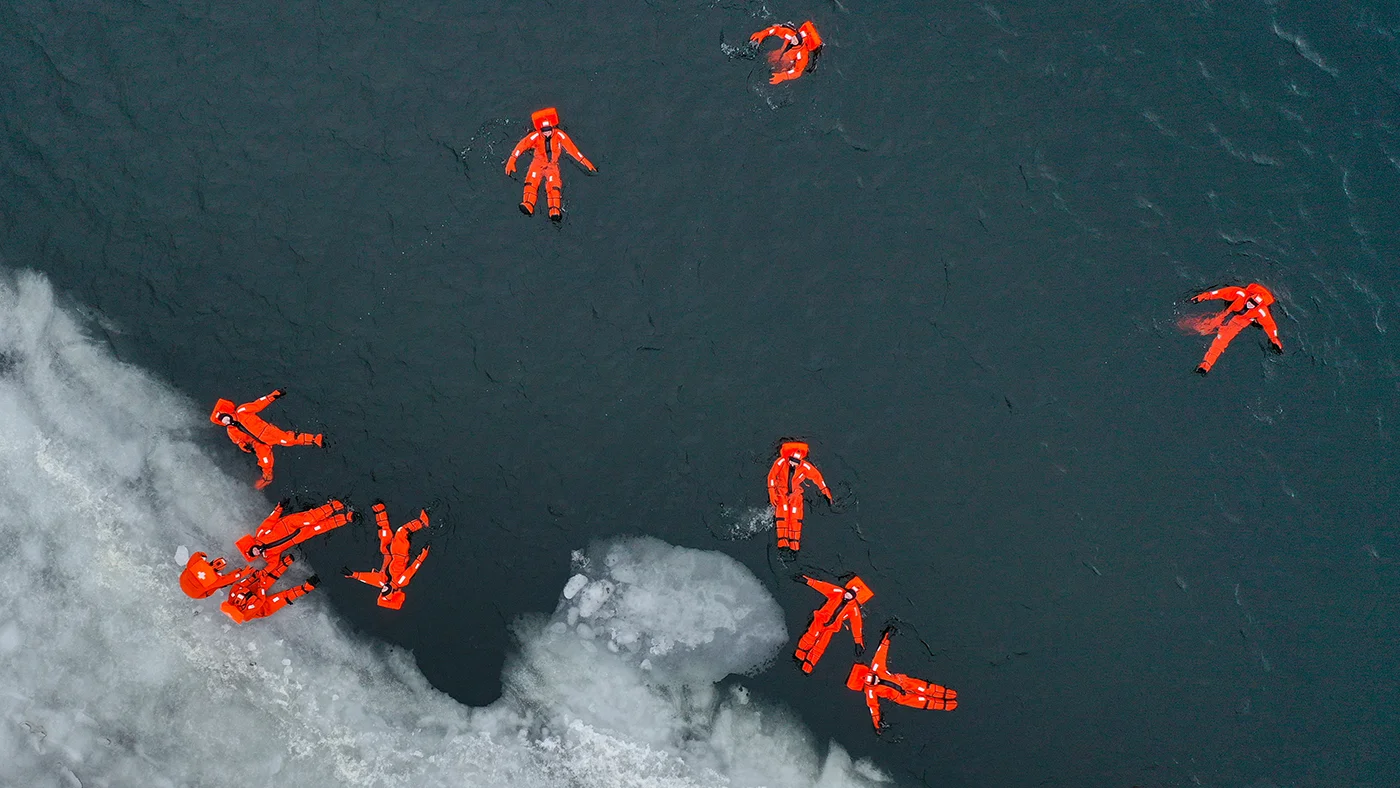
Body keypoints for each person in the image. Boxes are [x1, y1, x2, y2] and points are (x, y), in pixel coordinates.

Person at [845, 629, 957, 732]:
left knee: (925, 688)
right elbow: (873, 708)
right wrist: (877, 723)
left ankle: (947, 693)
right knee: (923, 701)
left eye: (874, 677)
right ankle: (946, 705)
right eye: (872, 682)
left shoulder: (876, 667)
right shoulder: (870, 692)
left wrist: (887, 638)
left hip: (905, 682)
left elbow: (881, 653)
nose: (876, 680)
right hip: (901, 697)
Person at [210, 390, 323, 489]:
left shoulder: (242, 410)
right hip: (258, 443)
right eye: (222, 421)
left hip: (267, 432)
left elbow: (259, 404)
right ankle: (267, 478)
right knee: (265, 462)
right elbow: (239, 442)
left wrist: (274, 395)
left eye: (223, 417)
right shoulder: (231, 431)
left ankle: (314, 439)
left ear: (227, 412)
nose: (225, 421)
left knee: (287, 439)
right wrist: (246, 448)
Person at [504, 108, 597, 222]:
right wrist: (512, 160)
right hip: (537, 163)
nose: (546, 132)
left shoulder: (560, 135)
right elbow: (521, 145)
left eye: (548, 129)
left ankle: (554, 209)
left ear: (552, 127)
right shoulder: (535, 136)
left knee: (554, 187)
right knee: (531, 183)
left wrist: (584, 161)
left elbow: (572, 149)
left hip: (552, 166)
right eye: (544, 130)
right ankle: (528, 203)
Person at [342, 501, 430, 610]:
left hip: (388, 554)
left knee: (384, 538)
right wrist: (423, 555)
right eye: (386, 590)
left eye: (382, 590)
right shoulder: (400, 581)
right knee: (401, 532)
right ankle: (422, 522)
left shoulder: (382, 582)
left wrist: (353, 574)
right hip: (399, 554)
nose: (384, 588)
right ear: (392, 592)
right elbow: (413, 568)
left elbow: (368, 578)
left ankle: (380, 511)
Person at [1190, 283, 1283, 374]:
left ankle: (1206, 365)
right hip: (1225, 315)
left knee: (1220, 343)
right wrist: (1204, 296)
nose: (1250, 305)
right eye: (1250, 302)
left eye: (1253, 304)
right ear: (1249, 297)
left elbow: (1270, 326)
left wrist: (1274, 339)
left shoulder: (1262, 312)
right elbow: (1220, 293)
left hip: (1236, 324)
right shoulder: (1240, 294)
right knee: (1192, 326)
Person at [794, 574, 873, 673]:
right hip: (821, 618)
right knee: (811, 635)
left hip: (832, 627)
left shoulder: (854, 609)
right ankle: (800, 653)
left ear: (854, 598)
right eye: (847, 593)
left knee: (820, 645)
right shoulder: (838, 592)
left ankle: (809, 664)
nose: (846, 596)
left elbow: (857, 625)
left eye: (849, 596)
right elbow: (823, 586)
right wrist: (807, 581)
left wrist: (858, 642)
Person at [234, 499, 354, 562]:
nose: (256, 552)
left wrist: (279, 507)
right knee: (320, 527)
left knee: (311, 518)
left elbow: (270, 520)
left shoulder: (260, 533)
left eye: (253, 550)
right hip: (298, 536)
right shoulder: (268, 555)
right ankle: (346, 518)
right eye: (255, 554)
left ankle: (335, 505)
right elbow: (273, 565)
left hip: (289, 523)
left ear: (252, 546)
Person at [767, 440, 833, 551]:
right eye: (792, 460)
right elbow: (772, 477)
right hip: (781, 492)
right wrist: (772, 492)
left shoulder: (805, 467)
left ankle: (794, 543)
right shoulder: (781, 462)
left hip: (796, 494)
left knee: (795, 515)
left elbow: (817, 477)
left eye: (796, 461)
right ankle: (782, 541)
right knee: (782, 513)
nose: (793, 463)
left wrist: (825, 490)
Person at [220, 553, 319, 624]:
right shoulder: (249, 611)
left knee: (268, 578)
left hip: (252, 594)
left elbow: (241, 585)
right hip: (262, 608)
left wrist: (254, 577)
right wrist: (261, 585)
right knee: (283, 597)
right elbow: (260, 599)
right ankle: (308, 587)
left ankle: (284, 563)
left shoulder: (233, 594)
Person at [749, 21, 823, 84]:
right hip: (777, 55)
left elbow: (797, 72)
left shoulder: (802, 54)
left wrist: (783, 76)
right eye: (794, 37)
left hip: (785, 65)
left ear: (800, 43)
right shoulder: (790, 34)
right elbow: (776, 30)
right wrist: (763, 33)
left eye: (795, 40)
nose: (793, 40)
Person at [179, 551, 255, 599]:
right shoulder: (215, 580)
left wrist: (204, 557)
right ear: (218, 570)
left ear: (212, 561)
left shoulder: (197, 562)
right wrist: (243, 573)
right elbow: (229, 579)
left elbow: (198, 554)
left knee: (188, 570)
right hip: (194, 594)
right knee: (218, 585)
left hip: (182, 581)